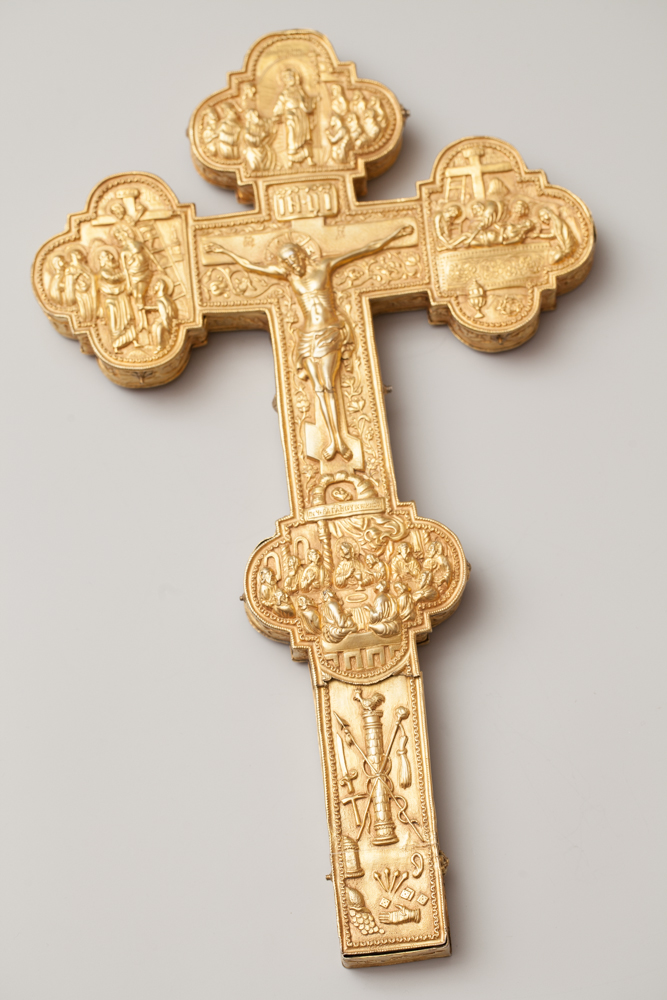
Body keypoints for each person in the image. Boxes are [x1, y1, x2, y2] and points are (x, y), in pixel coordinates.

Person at [204, 225, 413, 461]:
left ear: (302, 254)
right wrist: (224, 251)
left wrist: (394, 235)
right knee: (319, 389)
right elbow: (250, 266)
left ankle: (338, 440)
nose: (292, 263)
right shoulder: (288, 276)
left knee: (329, 385)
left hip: (328, 332)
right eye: (286, 261)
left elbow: (365, 249)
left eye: (293, 257)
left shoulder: (323, 266)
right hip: (306, 337)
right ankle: (333, 440)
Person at [272, 67, 315, 166]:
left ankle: (309, 159)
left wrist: (310, 104)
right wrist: (276, 113)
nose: (290, 79)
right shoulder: (284, 93)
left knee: (305, 138)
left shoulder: (299, 90)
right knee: (292, 137)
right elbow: (279, 106)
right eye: (287, 77)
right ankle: (291, 161)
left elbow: (305, 104)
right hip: (291, 117)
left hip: (302, 116)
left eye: (291, 76)